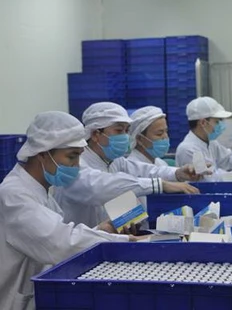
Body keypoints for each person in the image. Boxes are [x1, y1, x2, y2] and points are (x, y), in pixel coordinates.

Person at [0, 111, 138, 310]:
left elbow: (57, 233)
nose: (76, 166)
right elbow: (59, 243)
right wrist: (123, 242)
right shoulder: (14, 195)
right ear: (43, 153)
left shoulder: (41, 189)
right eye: (71, 156)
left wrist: (101, 230)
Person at [55, 102, 200, 228]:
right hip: (79, 248)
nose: (124, 136)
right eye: (119, 130)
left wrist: (177, 173)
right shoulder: (75, 165)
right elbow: (103, 187)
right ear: (95, 134)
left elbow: (142, 170)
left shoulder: (113, 160)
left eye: (126, 130)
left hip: (105, 239)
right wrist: (160, 184)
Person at [175, 96, 232, 181]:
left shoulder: (211, 143)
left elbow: (228, 159)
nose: (221, 125)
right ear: (203, 122)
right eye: (217, 121)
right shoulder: (188, 149)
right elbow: (210, 180)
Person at [127, 106, 170, 229]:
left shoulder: (161, 164)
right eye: (159, 133)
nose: (165, 137)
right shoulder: (130, 168)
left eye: (166, 131)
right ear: (140, 139)